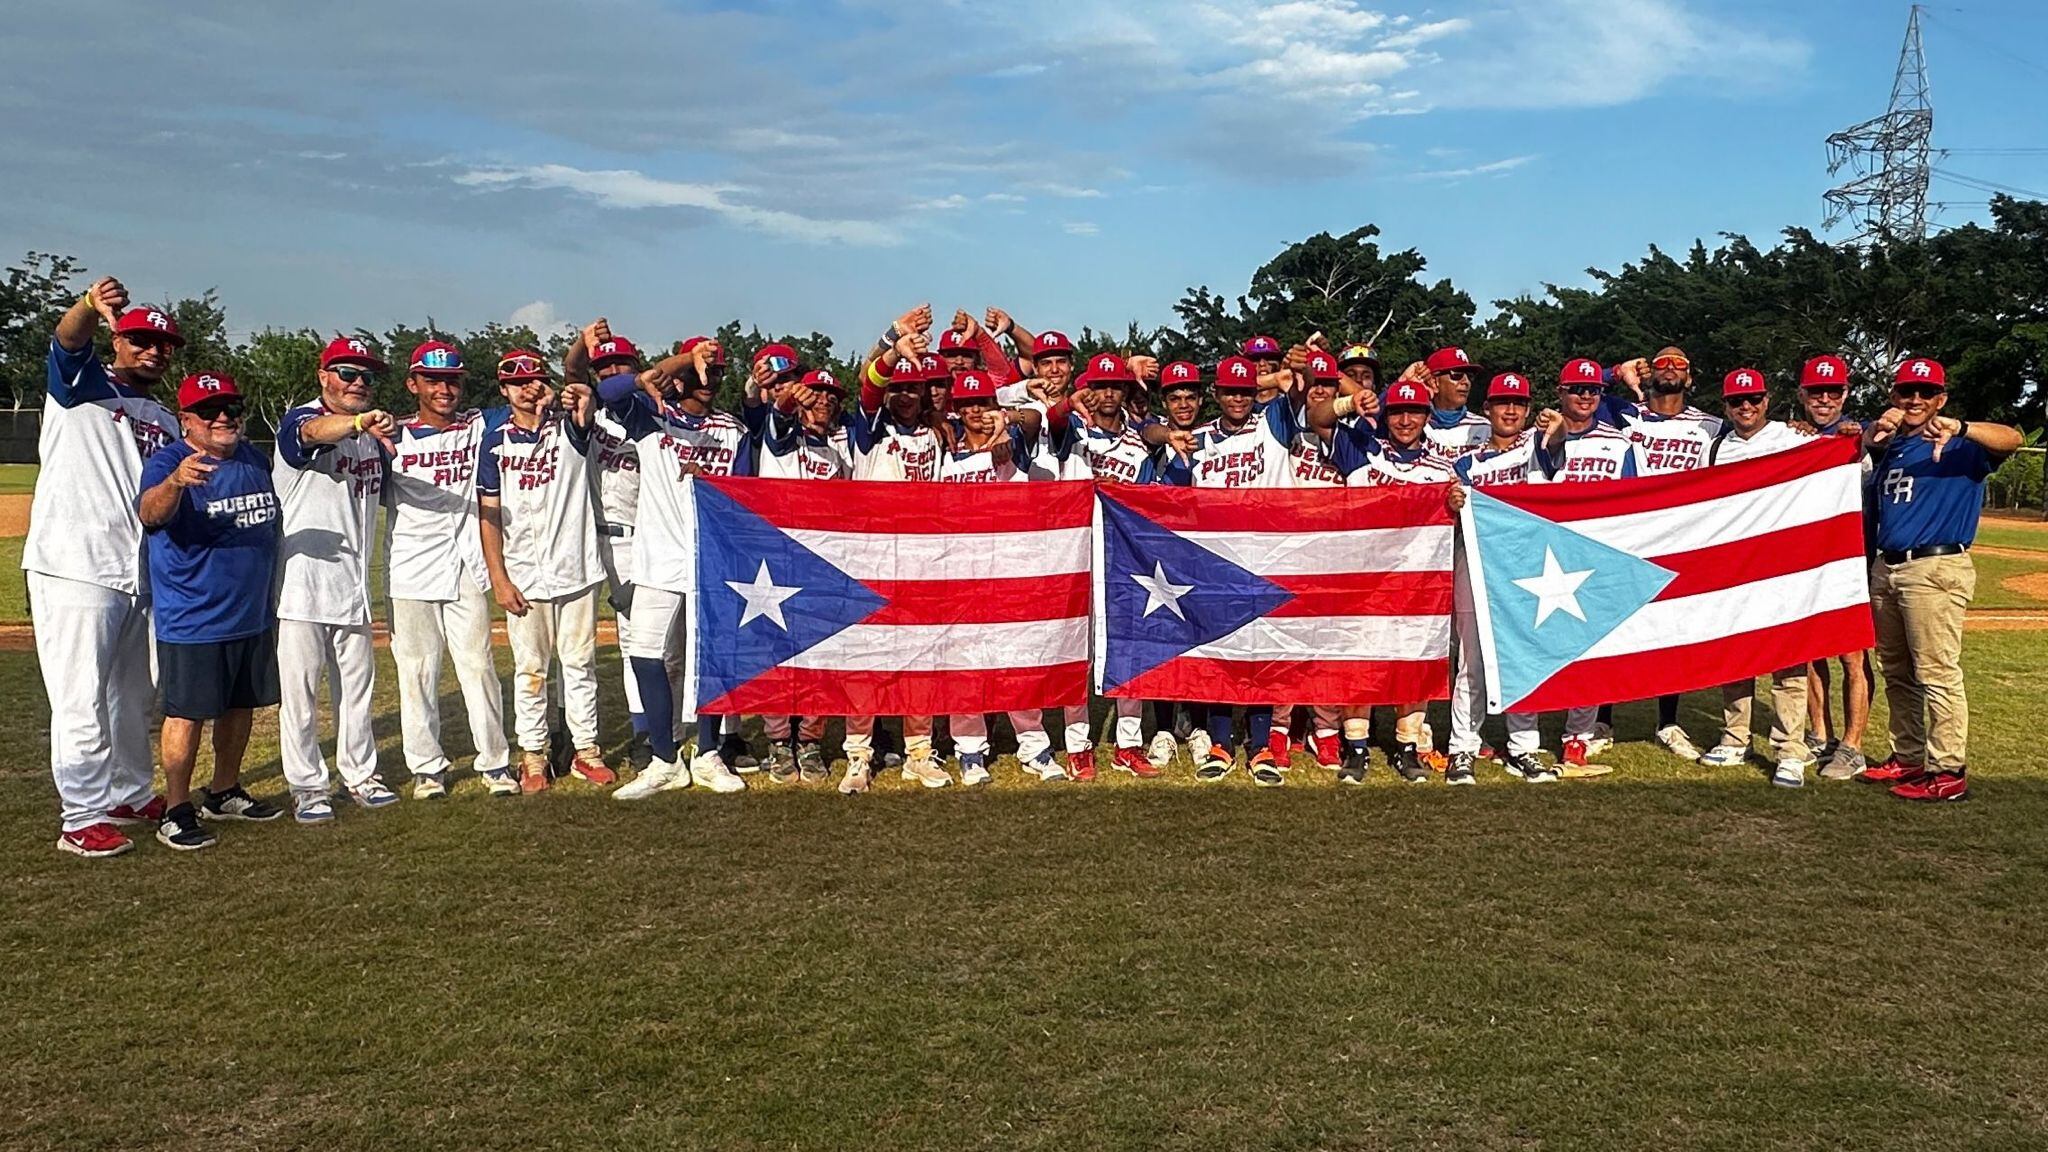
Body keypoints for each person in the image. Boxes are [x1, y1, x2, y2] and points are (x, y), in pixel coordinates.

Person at [32, 278, 183, 857]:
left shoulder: (165, 417)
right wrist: (87, 309)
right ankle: (81, 815)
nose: (153, 350)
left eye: (164, 344)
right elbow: (68, 340)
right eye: (142, 339)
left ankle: (127, 790)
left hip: (135, 566)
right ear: (118, 339)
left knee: (132, 692)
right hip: (76, 562)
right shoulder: (81, 386)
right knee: (80, 694)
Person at [1857, 358, 2023, 803]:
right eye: (1906, 391)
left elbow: (2014, 439)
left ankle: (1948, 768)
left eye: (1925, 393)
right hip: (1887, 566)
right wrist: (1875, 429)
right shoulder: (1891, 444)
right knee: (1896, 669)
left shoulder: (1959, 445)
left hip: (1935, 567)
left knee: (1936, 671)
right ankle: (1908, 756)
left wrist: (1962, 427)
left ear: (1940, 399)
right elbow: (1853, 438)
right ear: (1894, 395)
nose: (1915, 400)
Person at [601, 338, 753, 799]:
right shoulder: (652, 417)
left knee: (705, 661)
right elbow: (609, 392)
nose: (708, 383)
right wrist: (680, 363)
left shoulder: (732, 431)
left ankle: (707, 753)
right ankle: (665, 759)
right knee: (647, 656)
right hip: (656, 560)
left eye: (717, 374)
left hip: (712, 560)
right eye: (698, 374)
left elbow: (745, 496)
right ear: (679, 374)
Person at [137, 372, 284, 849]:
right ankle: (176, 808)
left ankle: (223, 790)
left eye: (231, 408)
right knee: (187, 714)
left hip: (250, 613)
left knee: (241, 706)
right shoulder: (169, 461)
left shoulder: (251, 458)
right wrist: (177, 483)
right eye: (209, 410)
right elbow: (150, 514)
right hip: (194, 617)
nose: (224, 417)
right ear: (186, 420)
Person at [382, 341, 519, 799]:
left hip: (464, 563)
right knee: (417, 670)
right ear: (412, 384)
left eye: (453, 380)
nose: (444, 388)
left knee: (478, 665)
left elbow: (526, 397)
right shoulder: (391, 438)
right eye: (433, 379)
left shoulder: (479, 425)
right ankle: (427, 767)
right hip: (410, 565)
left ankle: (496, 762)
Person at [273, 336, 399, 824]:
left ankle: (361, 774)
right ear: (324, 376)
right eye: (348, 373)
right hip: (300, 586)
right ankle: (307, 786)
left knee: (358, 691)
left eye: (367, 376)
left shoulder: (371, 437)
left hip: (353, 585)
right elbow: (310, 435)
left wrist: (374, 433)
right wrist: (357, 422)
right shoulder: (301, 418)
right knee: (301, 697)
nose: (360, 383)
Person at [1163, 353, 1304, 786]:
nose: (1238, 399)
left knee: (1260, 654)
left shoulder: (1273, 423)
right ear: (1217, 394)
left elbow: (1299, 391)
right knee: (1223, 653)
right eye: (1230, 391)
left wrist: (1297, 367)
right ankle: (1222, 741)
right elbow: (1171, 496)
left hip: (1266, 558)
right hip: (1216, 562)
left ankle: (1260, 743)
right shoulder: (1198, 438)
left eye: (1245, 391)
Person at [1307, 377, 1457, 783]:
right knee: (1361, 666)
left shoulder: (1443, 469)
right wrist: (1348, 403)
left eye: (1414, 412)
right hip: (1364, 580)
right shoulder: (1362, 449)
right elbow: (1315, 416)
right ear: (1385, 415)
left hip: (1416, 587)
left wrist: (1457, 504)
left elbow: (1460, 520)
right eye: (1396, 412)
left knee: (1412, 666)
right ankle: (1356, 749)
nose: (1405, 420)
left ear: (1428, 416)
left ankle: (1408, 748)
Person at [477, 350, 609, 794]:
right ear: (503, 390)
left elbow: (581, 390)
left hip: (575, 568)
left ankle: (585, 751)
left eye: (535, 379)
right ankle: (534, 756)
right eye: (517, 383)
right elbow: (488, 514)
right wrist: (499, 578)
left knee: (579, 663)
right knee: (530, 669)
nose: (527, 388)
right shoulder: (494, 441)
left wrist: (562, 396)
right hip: (524, 575)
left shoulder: (569, 427)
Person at [564, 320, 682, 765]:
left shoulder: (655, 414)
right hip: (600, 539)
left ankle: (659, 729)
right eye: (604, 366)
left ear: (637, 367)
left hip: (646, 537)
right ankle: (637, 731)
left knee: (656, 643)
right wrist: (582, 343)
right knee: (614, 643)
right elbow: (572, 371)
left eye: (621, 363)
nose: (610, 371)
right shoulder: (590, 411)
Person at [1694, 369, 1818, 788]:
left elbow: (1845, 461)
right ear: (1725, 405)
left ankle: (1789, 750)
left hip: (1783, 567)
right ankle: (1734, 738)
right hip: (1734, 570)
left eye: (1754, 398)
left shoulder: (1793, 438)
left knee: (1788, 663)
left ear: (1768, 400)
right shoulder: (1713, 450)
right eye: (1736, 401)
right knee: (1736, 658)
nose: (1745, 407)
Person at [1445, 372, 1563, 785]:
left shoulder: (1538, 445)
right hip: (1476, 568)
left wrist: (1558, 427)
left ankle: (1523, 749)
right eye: (1501, 403)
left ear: (1528, 410)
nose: (1510, 410)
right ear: (1488, 409)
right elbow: (1453, 513)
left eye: (1518, 404)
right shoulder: (1467, 462)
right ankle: (1462, 748)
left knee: (1521, 659)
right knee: (1470, 664)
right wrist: (1452, 501)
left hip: (1526, 570)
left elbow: (1557, 444)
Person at [755, 367, 852, 783]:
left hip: (822, 565)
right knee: (774, 659)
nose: (823, 402)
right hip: (777, 565)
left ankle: (810, 741)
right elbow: (777, 417)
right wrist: (788, 400)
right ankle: (778, 743)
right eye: (816, 394)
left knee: (821, 659)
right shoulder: (779, 440)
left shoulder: (837, 455)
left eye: (831, 397)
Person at [1793, 354, 1874, 780]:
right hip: (1807, 561)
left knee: (1851, 656)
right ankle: (1819, 735)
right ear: (1802, 395)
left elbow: (1876, 450)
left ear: (1846, 393)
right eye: (1816, 392)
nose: (1825, 399)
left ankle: (1852, 745)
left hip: (1849, 560)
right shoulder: (1793, 438)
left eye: (1834, 391)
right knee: (1809, 653)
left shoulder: (1861, 436)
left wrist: (1859, 440)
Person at [1410, 347, 1493, 461]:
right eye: (1457, 375)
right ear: (1434, 382)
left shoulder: (1483, 428)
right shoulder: (1410, 424)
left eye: (1470, 376)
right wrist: (1402, 381)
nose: (1466, 382)